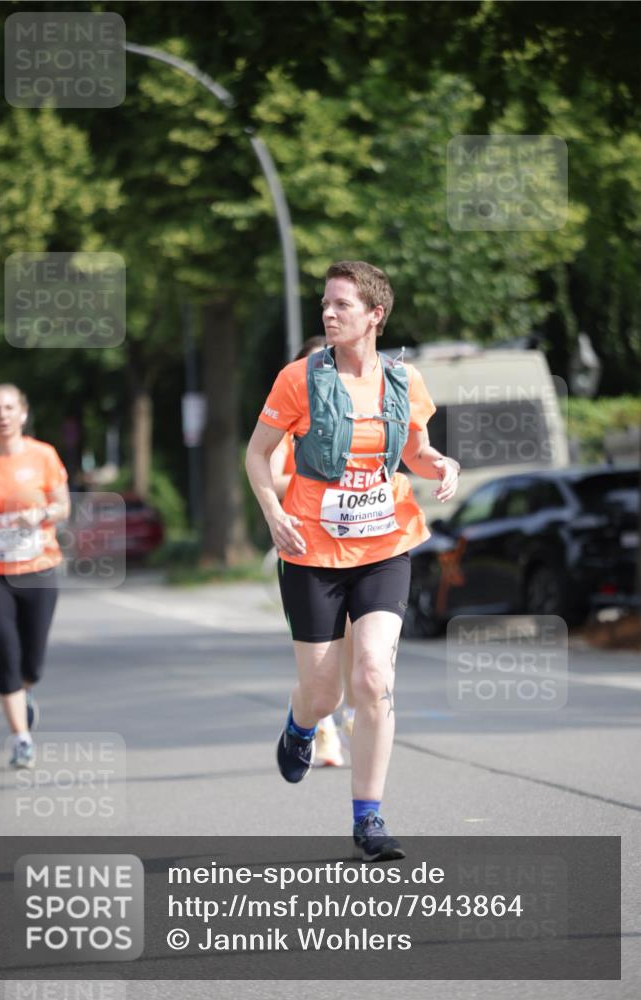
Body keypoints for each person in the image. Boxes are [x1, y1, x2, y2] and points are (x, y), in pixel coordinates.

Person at [246, 261, 460, 861]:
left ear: (374, 315)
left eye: (342, 304)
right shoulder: (298, 379)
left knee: (373, 677)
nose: (329, 313)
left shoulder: (404, 380)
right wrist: (273, 513)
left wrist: (442, 464)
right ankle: (301, 723)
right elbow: (257, 455)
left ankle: (369, 819)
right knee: (324, 695)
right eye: (325, 303)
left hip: (384, 547)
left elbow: (415, 453)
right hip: (310, 551)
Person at [0, 384, 70, 768]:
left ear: (23, 413)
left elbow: (63, 505)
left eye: (9, 407)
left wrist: (42, 513)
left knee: (33, 661)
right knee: (6, 652)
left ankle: (25, 689)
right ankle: (21, 738)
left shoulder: (43, 455)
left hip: (38, 568)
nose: (3, 415)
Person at [269, 335, 353, 769]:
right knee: (322, 662)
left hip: (357, 545)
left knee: (360, 645)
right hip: (306, 548)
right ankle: (322, 731)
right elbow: (270, 476)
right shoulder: (289, 423)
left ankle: (354, 714)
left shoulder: (359, 412)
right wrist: (321, 476)